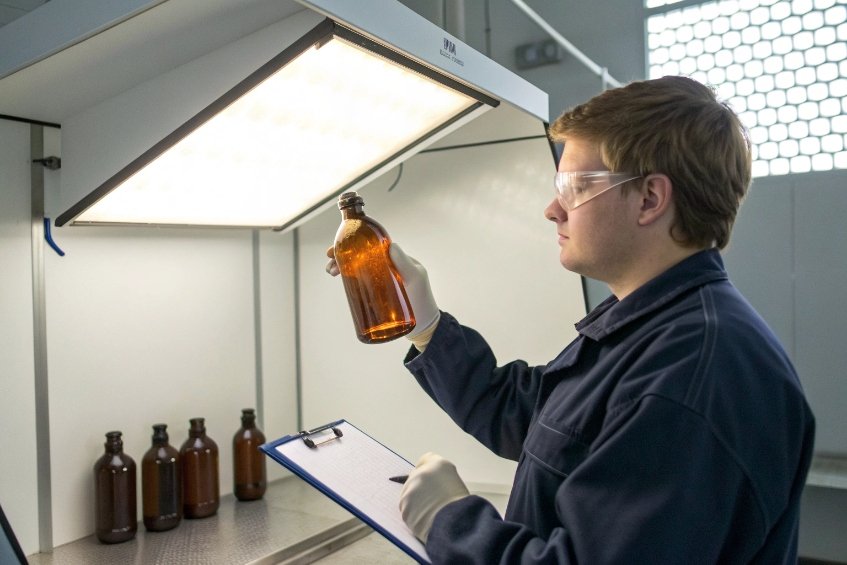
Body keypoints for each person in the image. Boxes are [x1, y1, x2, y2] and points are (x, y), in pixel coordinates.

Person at [326, 76, 815, 563]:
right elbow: (529, 417)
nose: (552, 208)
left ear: (649, 198)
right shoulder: (652, 327)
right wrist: (424, 318)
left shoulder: (696, 370)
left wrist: (451, 520)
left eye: (574, 187)